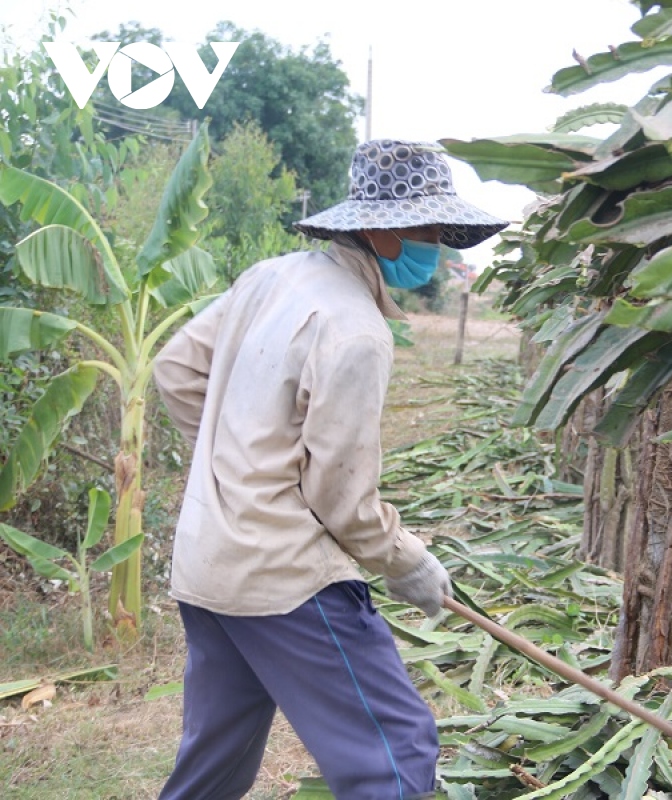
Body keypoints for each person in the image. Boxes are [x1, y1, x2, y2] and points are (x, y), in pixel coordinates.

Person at [153, 140, 508, 799]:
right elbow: (341, 498)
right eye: (428, 230)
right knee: (394, 754)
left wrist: (229, 468)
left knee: (215, 763)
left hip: (207, 562)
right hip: (285, 580)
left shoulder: (272, 277)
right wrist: (409, 563)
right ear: (379, 229)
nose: (438, 246)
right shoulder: (355, 330)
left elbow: (176, 369)